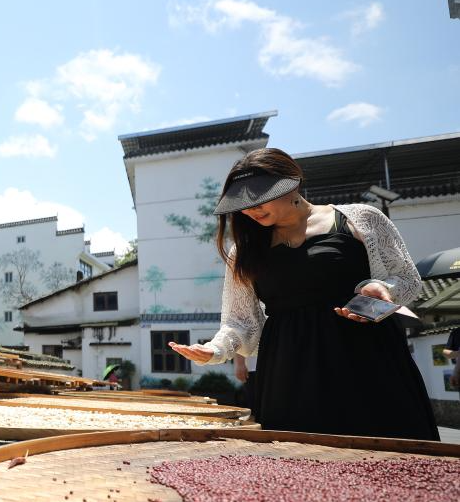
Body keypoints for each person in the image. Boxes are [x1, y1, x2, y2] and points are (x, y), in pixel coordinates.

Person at [169, 148, 439, 441]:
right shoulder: (243, 251)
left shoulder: (362, 219)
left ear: (292, 183)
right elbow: (240, 321)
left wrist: (383, 289)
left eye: (260, 198)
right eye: (243, 204)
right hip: (289, 368)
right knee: (299, 466)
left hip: (368, 356)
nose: (251, 209)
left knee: (391, 453)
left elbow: (409, 280)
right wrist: (215, 350)